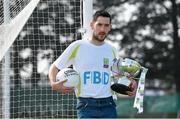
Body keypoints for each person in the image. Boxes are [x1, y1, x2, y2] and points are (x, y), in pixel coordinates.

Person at [48, 10, 137, 118]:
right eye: (99, 24)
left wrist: (129, 83)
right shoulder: (78, 46)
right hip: (86, 106)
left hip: (108, 105)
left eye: (106, 25)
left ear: (110, 27)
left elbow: (116, 75)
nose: (102, 29)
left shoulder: (112, 50)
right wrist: (53, 83)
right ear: (92, 25)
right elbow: (55, 67)